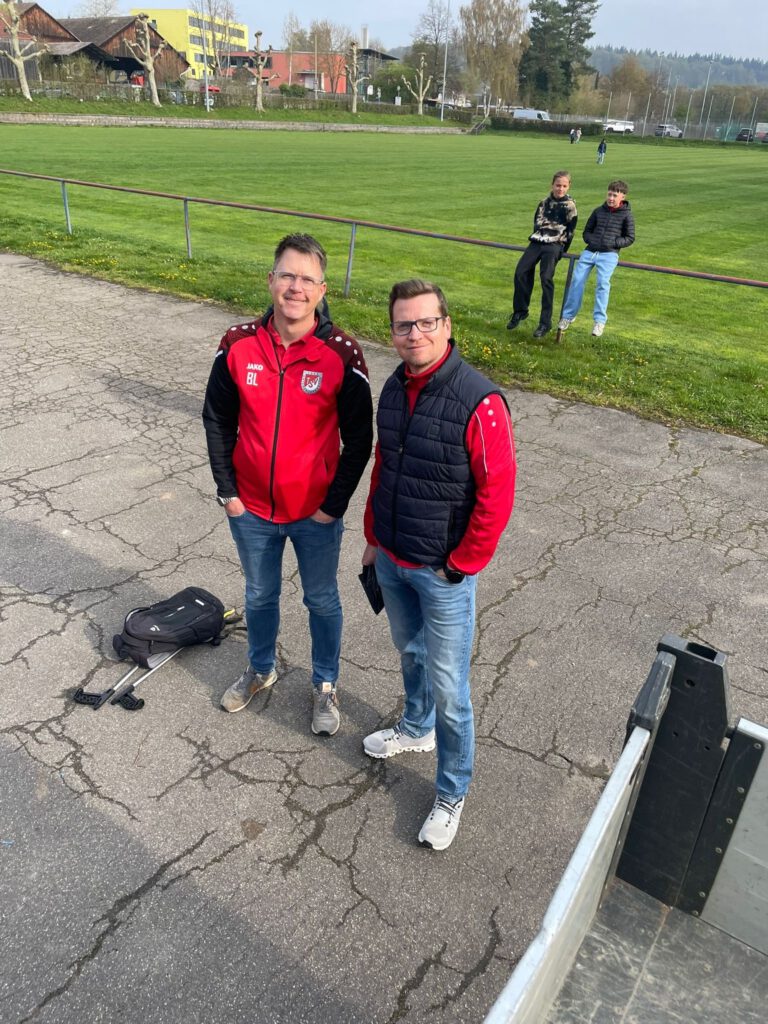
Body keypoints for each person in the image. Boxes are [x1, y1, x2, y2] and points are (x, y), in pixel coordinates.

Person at [362, 280, 516, 851]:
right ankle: (415, 727)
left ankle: (452, 791)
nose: (415, 334)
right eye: (404, 324)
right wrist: (373, 538)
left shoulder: (481, 400)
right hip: (393, 558)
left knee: (451, 688)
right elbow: (384, 465)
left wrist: (461, 564)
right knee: (411, 653)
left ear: (447, 326)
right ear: (393, 332)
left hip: (442, 572)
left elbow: (497, 493)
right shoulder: (393, 387)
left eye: (427, 322)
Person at [202, 233, 373, 736]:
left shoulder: (342, 352)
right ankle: (261, 669)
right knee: (259, 596)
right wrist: (228, 493)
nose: (295, 287)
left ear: (322, 290)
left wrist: (332, 505)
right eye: (287, 275)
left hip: (315, 513)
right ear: (270, 280)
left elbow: (359, 440)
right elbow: (217, 419)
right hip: (251, 509)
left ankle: (325, 684)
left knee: (321, 600)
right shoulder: (237, 343)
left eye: (307, 279)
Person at [558, 180, 635, 339]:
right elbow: (587, 231)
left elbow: (630, 237)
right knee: (577, 280)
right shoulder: (598, 211)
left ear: (623, 196)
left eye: (615, 195)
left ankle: (599, 322)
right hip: (590, 252)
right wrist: (591, 240)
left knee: (602, 284)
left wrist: (614, 243)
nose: (611, 198)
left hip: (609, 254)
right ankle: (568, 316)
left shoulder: (626, 215)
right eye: (609, 194)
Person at [506, 171, 578, 338]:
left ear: (569, 186)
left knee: (546, 278)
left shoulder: (570, 205)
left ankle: (545, 323)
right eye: (558, 185)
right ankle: (520, 311)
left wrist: (561, 250)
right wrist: (539, 238)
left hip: (555, 245)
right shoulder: (543, 203)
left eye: (564, 186)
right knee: (521, 272)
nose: (560, 189)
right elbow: (536, 223)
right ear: (552, 185)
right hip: (537, 241)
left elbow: (571, 230)